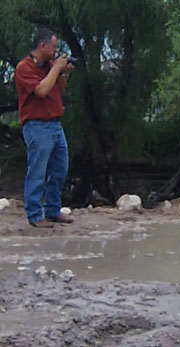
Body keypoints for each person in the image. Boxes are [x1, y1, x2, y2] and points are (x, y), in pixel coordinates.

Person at [15, 28, 75, 228]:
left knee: (60, 169)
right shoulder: (24, 68)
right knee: (38, 170)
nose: (55, 51)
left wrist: (62, 73)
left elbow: (60, 89)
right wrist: (56, 69)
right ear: (42, 45)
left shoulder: (50, 66)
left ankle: (52, 209)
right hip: (36, 125)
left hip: (55, 124)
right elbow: (41, 90)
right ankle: (34, 214)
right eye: (54, 46)